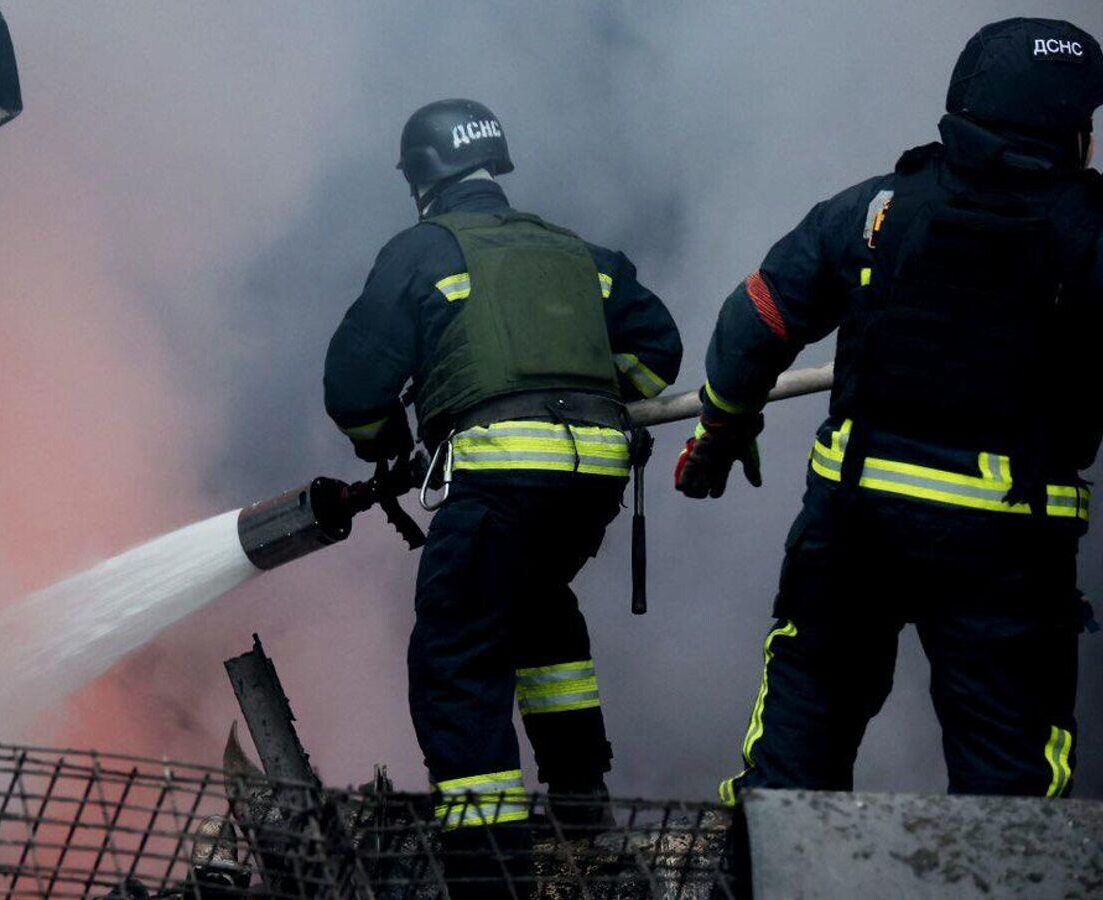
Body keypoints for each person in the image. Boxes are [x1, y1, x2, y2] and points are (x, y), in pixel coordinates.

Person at [676, 18, 1103, 803]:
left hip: (854, 523)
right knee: (1008, 786)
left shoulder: (877, 208)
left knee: (800, 744)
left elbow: (756, 319)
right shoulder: (1091, 234)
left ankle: (763, 882)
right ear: (1070, 130)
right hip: (1008, 544)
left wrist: (724, 426)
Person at [325, 98, 682, 894]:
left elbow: (354, 387)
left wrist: (386, 443)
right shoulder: (576, 250)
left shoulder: (421, 251)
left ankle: (492, 876)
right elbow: (659, 349)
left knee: (457, 658)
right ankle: (583, 822)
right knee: (540, 613)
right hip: (592, 480)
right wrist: (599, 394)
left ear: (420, 179)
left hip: (497, 480)